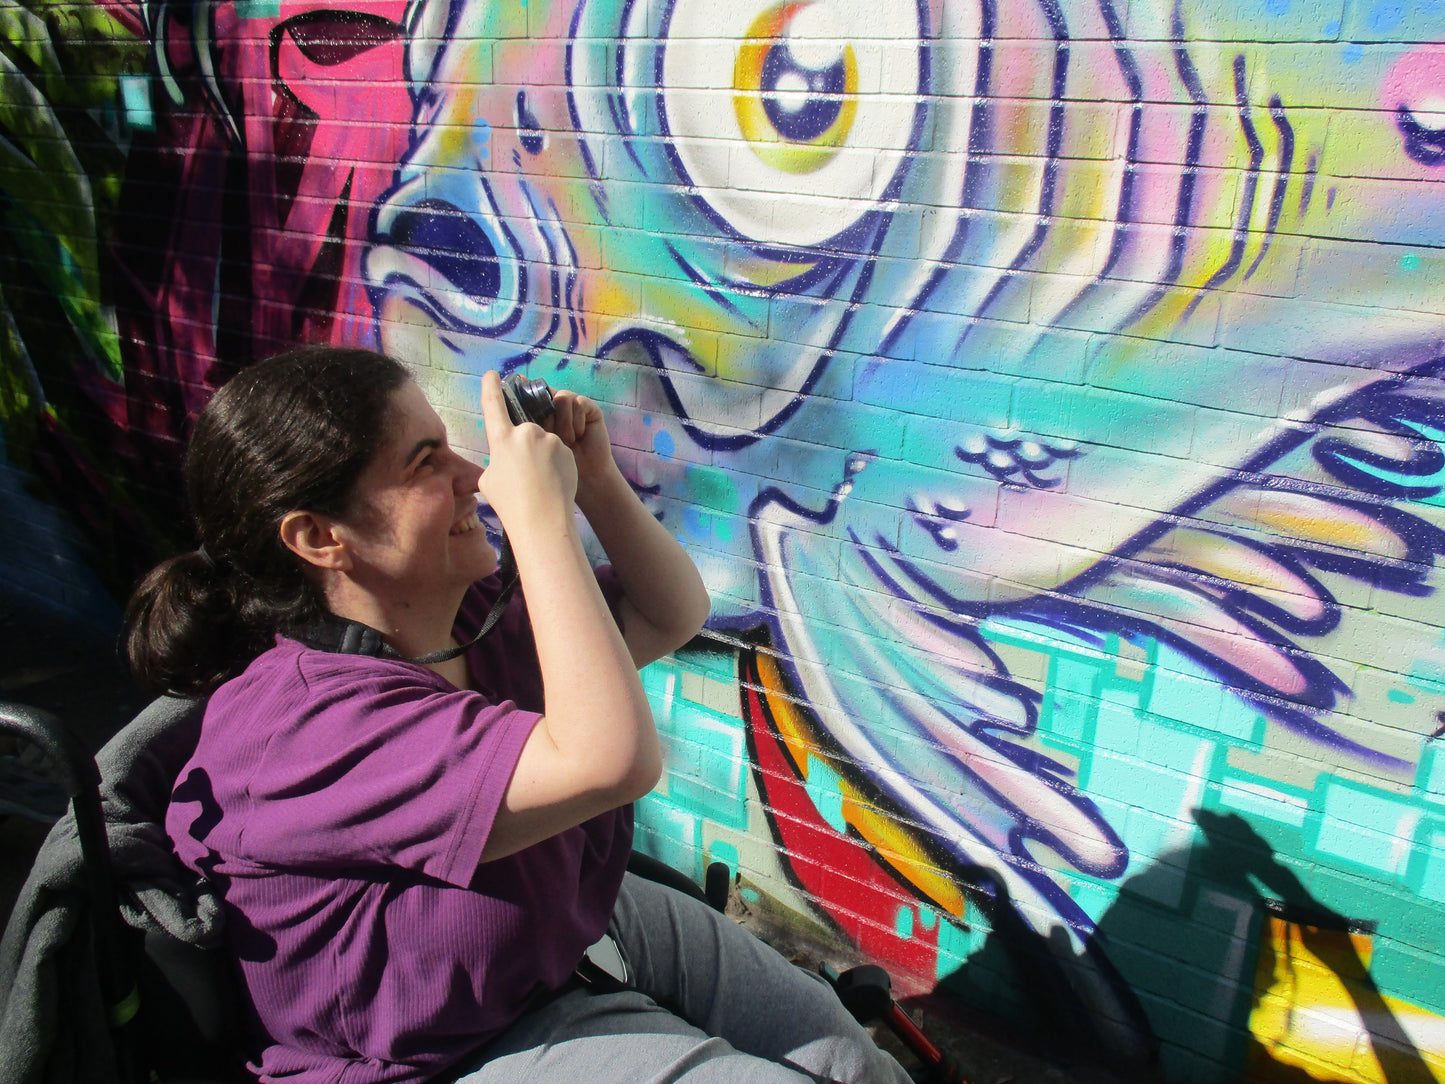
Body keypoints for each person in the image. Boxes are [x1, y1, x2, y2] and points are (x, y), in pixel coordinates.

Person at [125, 346, 911, 1084]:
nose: (473, 475)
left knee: (850, 1056)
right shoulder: (309, 729)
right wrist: (539, 519)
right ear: (319, 538)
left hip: (559, 934)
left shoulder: (466, 616)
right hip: (444, 1049)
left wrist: (595, 483)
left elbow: (668, 613)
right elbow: (610, 762)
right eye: (425, 462)